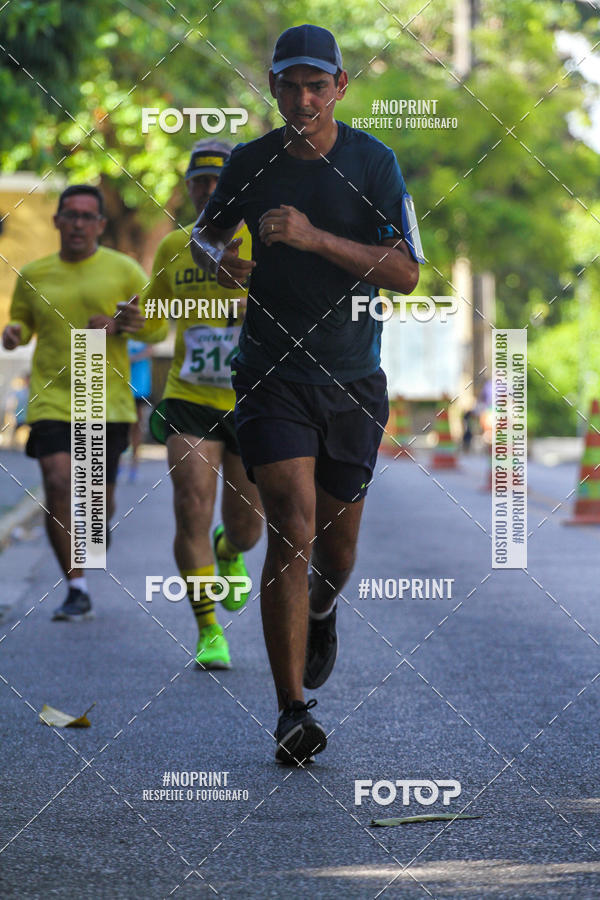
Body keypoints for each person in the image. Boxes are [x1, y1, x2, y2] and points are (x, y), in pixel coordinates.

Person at [191, 25, 422, 764]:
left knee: (336, 547)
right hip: (269, 374)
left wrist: (315, 239)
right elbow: (204, 234)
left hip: (352, 376)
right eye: (289, 84)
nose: (302, 98)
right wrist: (221, 258)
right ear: (273, 85)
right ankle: (292, 711)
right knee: (290, 523)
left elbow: (408, 271)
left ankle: (323, 607)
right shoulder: (253, 163)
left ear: (339, 87)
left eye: (316, 85)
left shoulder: (373, 162)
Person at [2, 184, 162, 620]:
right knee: (56, 482)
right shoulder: (34, 274)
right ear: (57, 220)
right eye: (69, 215)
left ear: (100, 225)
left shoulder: (124, 270)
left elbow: (155, 328)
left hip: (105, 400)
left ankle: (95, 535)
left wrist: (121, 325)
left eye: (87, 216)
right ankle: (76, 586)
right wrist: (13, 331)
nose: (77, 224)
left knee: (97, 507)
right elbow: (21, 323)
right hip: (52, 398)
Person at [139, 140, 262, 669]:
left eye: (219, 180)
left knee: (248, 528)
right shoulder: (173, 248)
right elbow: (152, 322)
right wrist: (127, 321)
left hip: (251, 397)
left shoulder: (262, 238)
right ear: (188, 188)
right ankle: (208, 627)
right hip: (189, 398)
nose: (209, 190)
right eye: (200, 181)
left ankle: (229, 550)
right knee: (190, 504)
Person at [127, 339, 153, 482]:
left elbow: (150, 349)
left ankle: (134, 464)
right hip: (119, 385)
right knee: (121, 424)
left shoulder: (144, 325)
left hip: (139, 384)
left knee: (137, 423)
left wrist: (131, 359)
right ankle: (119, 461)